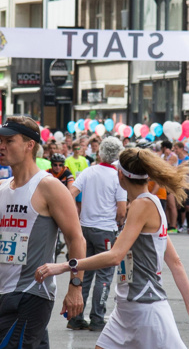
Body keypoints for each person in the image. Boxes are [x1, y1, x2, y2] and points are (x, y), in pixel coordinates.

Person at [34, 147, 189, 348]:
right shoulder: (150, 203)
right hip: (126, 309)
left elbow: (115, 256)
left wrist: (65, 266)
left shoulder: (141, 205)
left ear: (120, 175)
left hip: (146, 307)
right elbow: (176, 263)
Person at [0, 117, 87, 349]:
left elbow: (76, 238)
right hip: (8, 293)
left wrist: (75, 287)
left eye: (9, 141)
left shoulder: (49, 186)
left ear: (29, 145)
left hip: (33, 293)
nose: (0, 146)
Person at [66, 137, 126, 332]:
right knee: (104, 274)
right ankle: (97, 318)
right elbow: (122, 210)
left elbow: (70, 193)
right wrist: (119, 222)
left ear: (100, 152)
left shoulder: (88, 171)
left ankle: (75, 317)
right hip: (106, 230)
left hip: (85, 228)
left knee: (84, 272)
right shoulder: (118, 177)